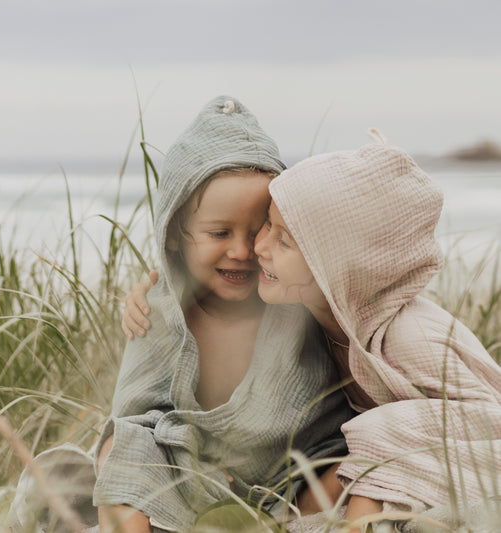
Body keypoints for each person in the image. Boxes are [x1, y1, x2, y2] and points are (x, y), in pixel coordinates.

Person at [125, 141, 501, 531]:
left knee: (371, 438)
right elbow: (209, 286)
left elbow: (490, 421)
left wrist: (384, 434)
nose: (259, 247)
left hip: (471, 457)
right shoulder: (305, 307)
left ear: (335, 268)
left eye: (283, 240)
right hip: (375, 460)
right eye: (266, 224)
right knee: (313, 485)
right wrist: (154, 291)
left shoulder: (410, 337)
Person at [93, 96, 354, 533]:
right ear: (174, 235)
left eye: (261, 231)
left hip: (293, 483)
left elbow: (341, 398)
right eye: (219, 233)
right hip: (189, 482)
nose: (241, 251)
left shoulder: (297, 297)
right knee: (120, 445)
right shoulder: (160, 309)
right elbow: (135, 411)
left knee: (360, 467)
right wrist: (194, 460)